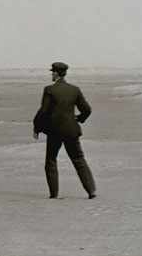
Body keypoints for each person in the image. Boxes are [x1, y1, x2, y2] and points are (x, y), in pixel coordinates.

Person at [32, 61, 97, 199]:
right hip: (71, 130)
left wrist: (37, 127)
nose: (51, 74)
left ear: (56, 73)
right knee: (79, 159)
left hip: (55, 131)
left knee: (51, 161)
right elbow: (87, 109)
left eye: (52, 72)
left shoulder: (49, 90)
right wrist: (79, 119)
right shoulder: (75, 89)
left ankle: (54, 195)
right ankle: (91, 191)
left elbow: (43, 111)